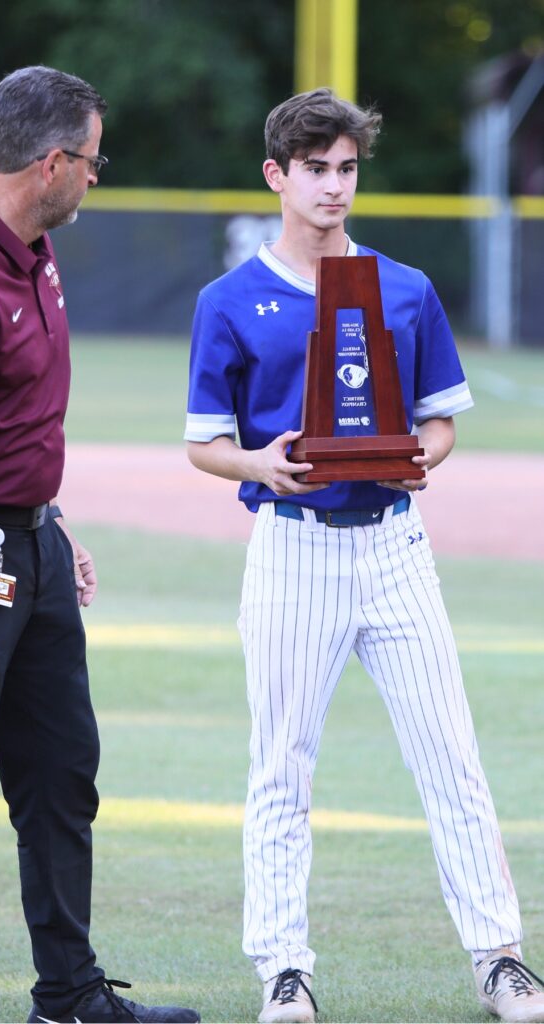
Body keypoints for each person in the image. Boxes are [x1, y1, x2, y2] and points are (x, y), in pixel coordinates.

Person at [185, 87, 544, 1024]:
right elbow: (202, 443)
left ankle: (500, 960)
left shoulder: (404, 286)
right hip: (293, 549)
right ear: (277, 175)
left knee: (450, 757)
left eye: (346, 169)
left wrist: (428, 453)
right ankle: (283, 970)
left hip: (393, 544)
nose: (333, 187)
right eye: (315, 170)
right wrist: (255, 462)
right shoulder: (230, 298)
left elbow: (437, 421)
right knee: (281, 765)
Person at [0, 65, 200, 1024]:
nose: (97, 178)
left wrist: (48, 523)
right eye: (93, 161)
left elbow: (4, 424)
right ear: (51, 163)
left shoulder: (29, 244)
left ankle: (69, 996)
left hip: (29, 543)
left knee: (60, 780)